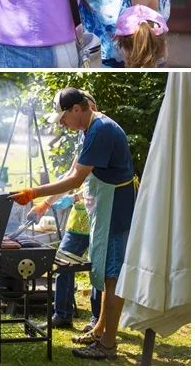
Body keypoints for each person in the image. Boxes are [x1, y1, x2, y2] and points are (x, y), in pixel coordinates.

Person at [9, 88, 136, 360]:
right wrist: (45, 203)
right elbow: (71, 172)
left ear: (76, 110)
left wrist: (34, 192)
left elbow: (76, 180)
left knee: (112, 276)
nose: (61, 123)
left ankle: (107, 345)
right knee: (105, 271)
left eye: (63, 117)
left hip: (116, 207)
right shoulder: (87, 129)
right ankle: (101, 328)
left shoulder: (101, 130)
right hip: (105, 206)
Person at [28, 192, 102, 331]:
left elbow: (97, 185)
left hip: (99, 221)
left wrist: (75, 197)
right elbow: (70, 178)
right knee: (62, 265)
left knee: (98, 269)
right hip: (77, 222)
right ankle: (62, 315)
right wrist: (49, 201)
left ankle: (97, 320)